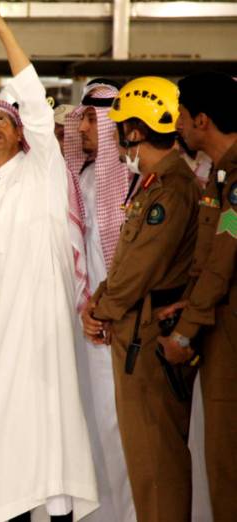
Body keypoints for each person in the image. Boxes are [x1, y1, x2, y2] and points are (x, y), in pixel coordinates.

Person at [0, 2, 99, 520]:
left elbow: (33, 100)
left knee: (53, 420)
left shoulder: (42, 164)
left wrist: (5, 35)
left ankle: (59, 512)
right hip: (10, 324)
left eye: (2, 122)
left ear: (21, 133)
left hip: (47, 319)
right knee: (10, 423)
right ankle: (15, 511)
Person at [81, 75, 201, 522]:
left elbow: (140, 266)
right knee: (143, 459)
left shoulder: (170, 188)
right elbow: (127, 261)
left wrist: (100, 310)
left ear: (134, 130)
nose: (118, 141)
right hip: (133, 331)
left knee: (156, 459)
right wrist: (99, 300)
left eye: (119, 129)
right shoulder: (152, 183)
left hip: (147, 338)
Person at [162, 72, 237, 521]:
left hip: (229, 333)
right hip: (219, 322)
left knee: (228, 461)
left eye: (183, 118)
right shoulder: (221, 172)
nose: (179, 127)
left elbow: (224, 257)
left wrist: (185, 333)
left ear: (203, 120)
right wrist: (187, 306)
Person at [62, 79, 136, 521]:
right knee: (91, 418)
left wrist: (106, 307)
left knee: (119, 421)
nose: (83, 127)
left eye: (92, 118)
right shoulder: (84, 174)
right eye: (84, 117)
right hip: (86, 316)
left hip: (121, 318)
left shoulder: (127, 177)